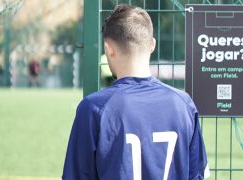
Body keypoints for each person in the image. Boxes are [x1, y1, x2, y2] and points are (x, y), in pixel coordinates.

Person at [62, 4, 210, 180]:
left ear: (108, 48)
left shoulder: (94, 108)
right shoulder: (183, 104)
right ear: (152, 45)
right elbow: (196, 175)